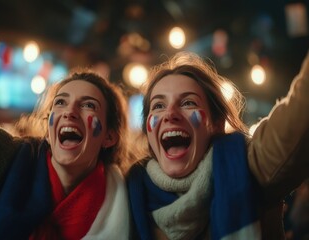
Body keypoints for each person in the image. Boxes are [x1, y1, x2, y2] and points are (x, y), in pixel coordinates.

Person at [127, 51, 309, 240]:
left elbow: (302, 110)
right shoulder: (128, 192)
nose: (170, 114)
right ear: (147, 130)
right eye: (158, 106)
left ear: (217, 124)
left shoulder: (246, 168)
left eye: (188, 102)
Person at [0, 70, 131, 239]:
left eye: (88, 105)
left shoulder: (132, 200)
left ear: (109, 136)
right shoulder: (7, 158)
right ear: (48, 128)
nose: (69, 112)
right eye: (60, 102)